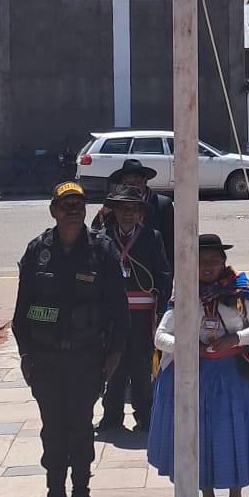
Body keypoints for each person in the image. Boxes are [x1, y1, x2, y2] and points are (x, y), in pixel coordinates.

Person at [148, 235, 249, 497]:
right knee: (201, 437)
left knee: (234, 434)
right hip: (194, 378)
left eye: (213, 260)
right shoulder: (184, 295)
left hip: (235, 377)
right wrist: (190, 347)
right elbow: (160, 337)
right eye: (201, 261)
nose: (207, 266)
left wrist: (236, 338)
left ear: (224, 262)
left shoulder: (238, 291)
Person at [12, 181, 127, 497]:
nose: (73, 210)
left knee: (80, 427)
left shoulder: (101, 251)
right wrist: (25, 354)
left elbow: (118, 310)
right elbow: (22, 312)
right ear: (53, 211)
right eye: (66, 205)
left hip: (86, 357)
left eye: (78, 204)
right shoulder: (37, 251)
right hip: (46, 358)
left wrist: (114, 355)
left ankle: (82, 495)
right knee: (53, 429)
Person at [95, 186, 170, 436]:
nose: (127, 214)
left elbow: (162, 275)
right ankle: (111, 416)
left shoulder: (152, 237)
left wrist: (161, 311)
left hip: (142, 315)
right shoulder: (102, 237)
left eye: (133, 209)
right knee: (112, 365)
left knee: (141, 367)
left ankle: (146, 417)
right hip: (111, 315)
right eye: (122, 208)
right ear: (114, 211)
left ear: (140, 213)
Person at [93, 159, 176, 288]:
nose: (133, 186)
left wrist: (166, 282)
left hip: (149, 270)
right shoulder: (114, 202)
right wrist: (105, 213)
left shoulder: (162, 204)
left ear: (145, 181)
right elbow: (96, 234)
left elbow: (170, 245)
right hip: (118, 273)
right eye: (128, 183)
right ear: (121, 184)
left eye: (136, 181)